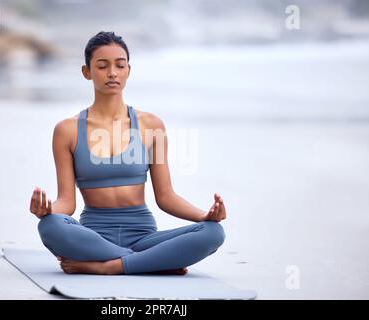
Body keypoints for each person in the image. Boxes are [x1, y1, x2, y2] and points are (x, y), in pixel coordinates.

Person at [29, 31, 227, 275]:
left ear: (128, 71)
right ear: (87, 72)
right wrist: (48, 211)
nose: (112, 72)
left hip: (144, 236)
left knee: (213, 232)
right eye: (102, 66)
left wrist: (205, 215)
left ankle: (111, 267)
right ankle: (153, 262)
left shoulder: (151, 125)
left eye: (120, 65)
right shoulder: (67, 130)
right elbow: (67, 203)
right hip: (94, 237)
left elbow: (166, 196)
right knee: (50, 226)